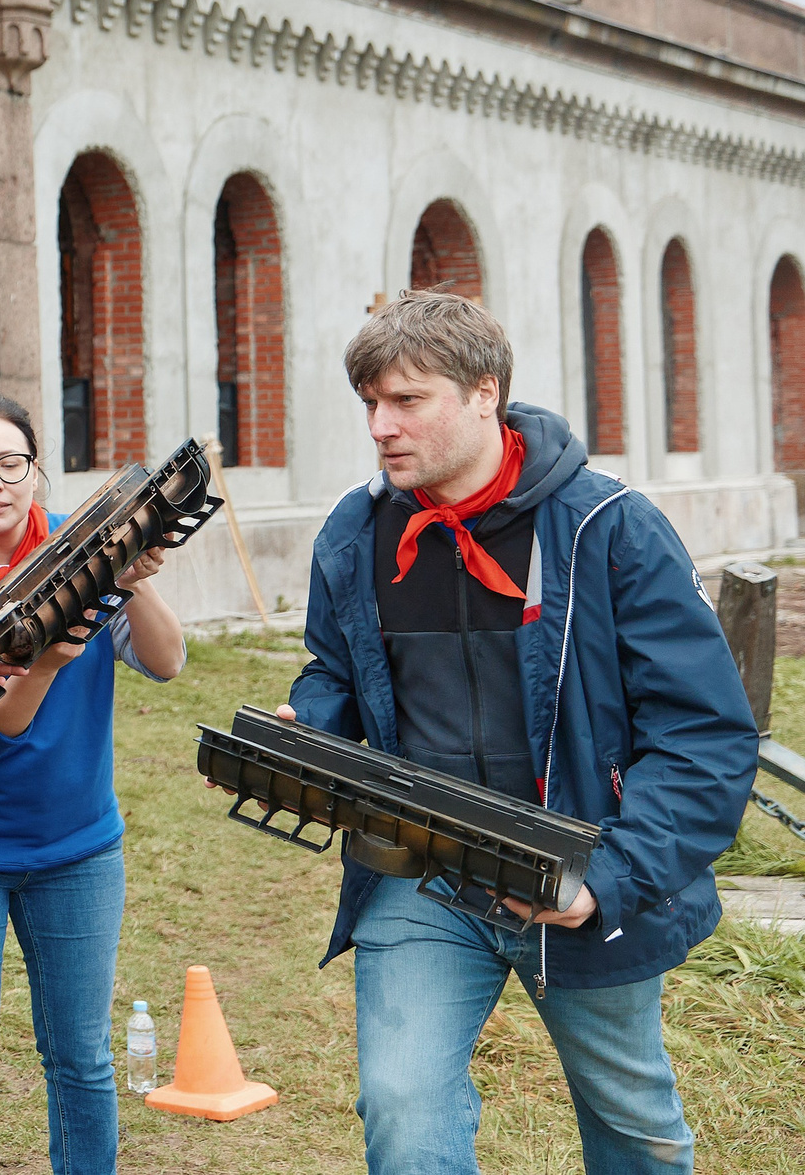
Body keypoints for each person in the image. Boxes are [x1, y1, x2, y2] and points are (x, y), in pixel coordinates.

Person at [278, 291, 754, 1175]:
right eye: (370, 404)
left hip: (579, 879)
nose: (381, 426)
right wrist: (308, 725)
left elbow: (705, 736)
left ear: (484, 392)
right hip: (422, 869)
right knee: (403, 1109)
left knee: (633, 1127)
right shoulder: (356, 528)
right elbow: (336, 669)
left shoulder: (610, 528)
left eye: (407, 400)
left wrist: (605, 878)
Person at [0, 394, 185, 1175]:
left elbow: (167, 660)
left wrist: (134, 574)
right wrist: (48, 659)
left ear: (35, 468)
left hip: (77, 847)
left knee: (82, 1053)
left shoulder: (80, 553)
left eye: (10, 462)